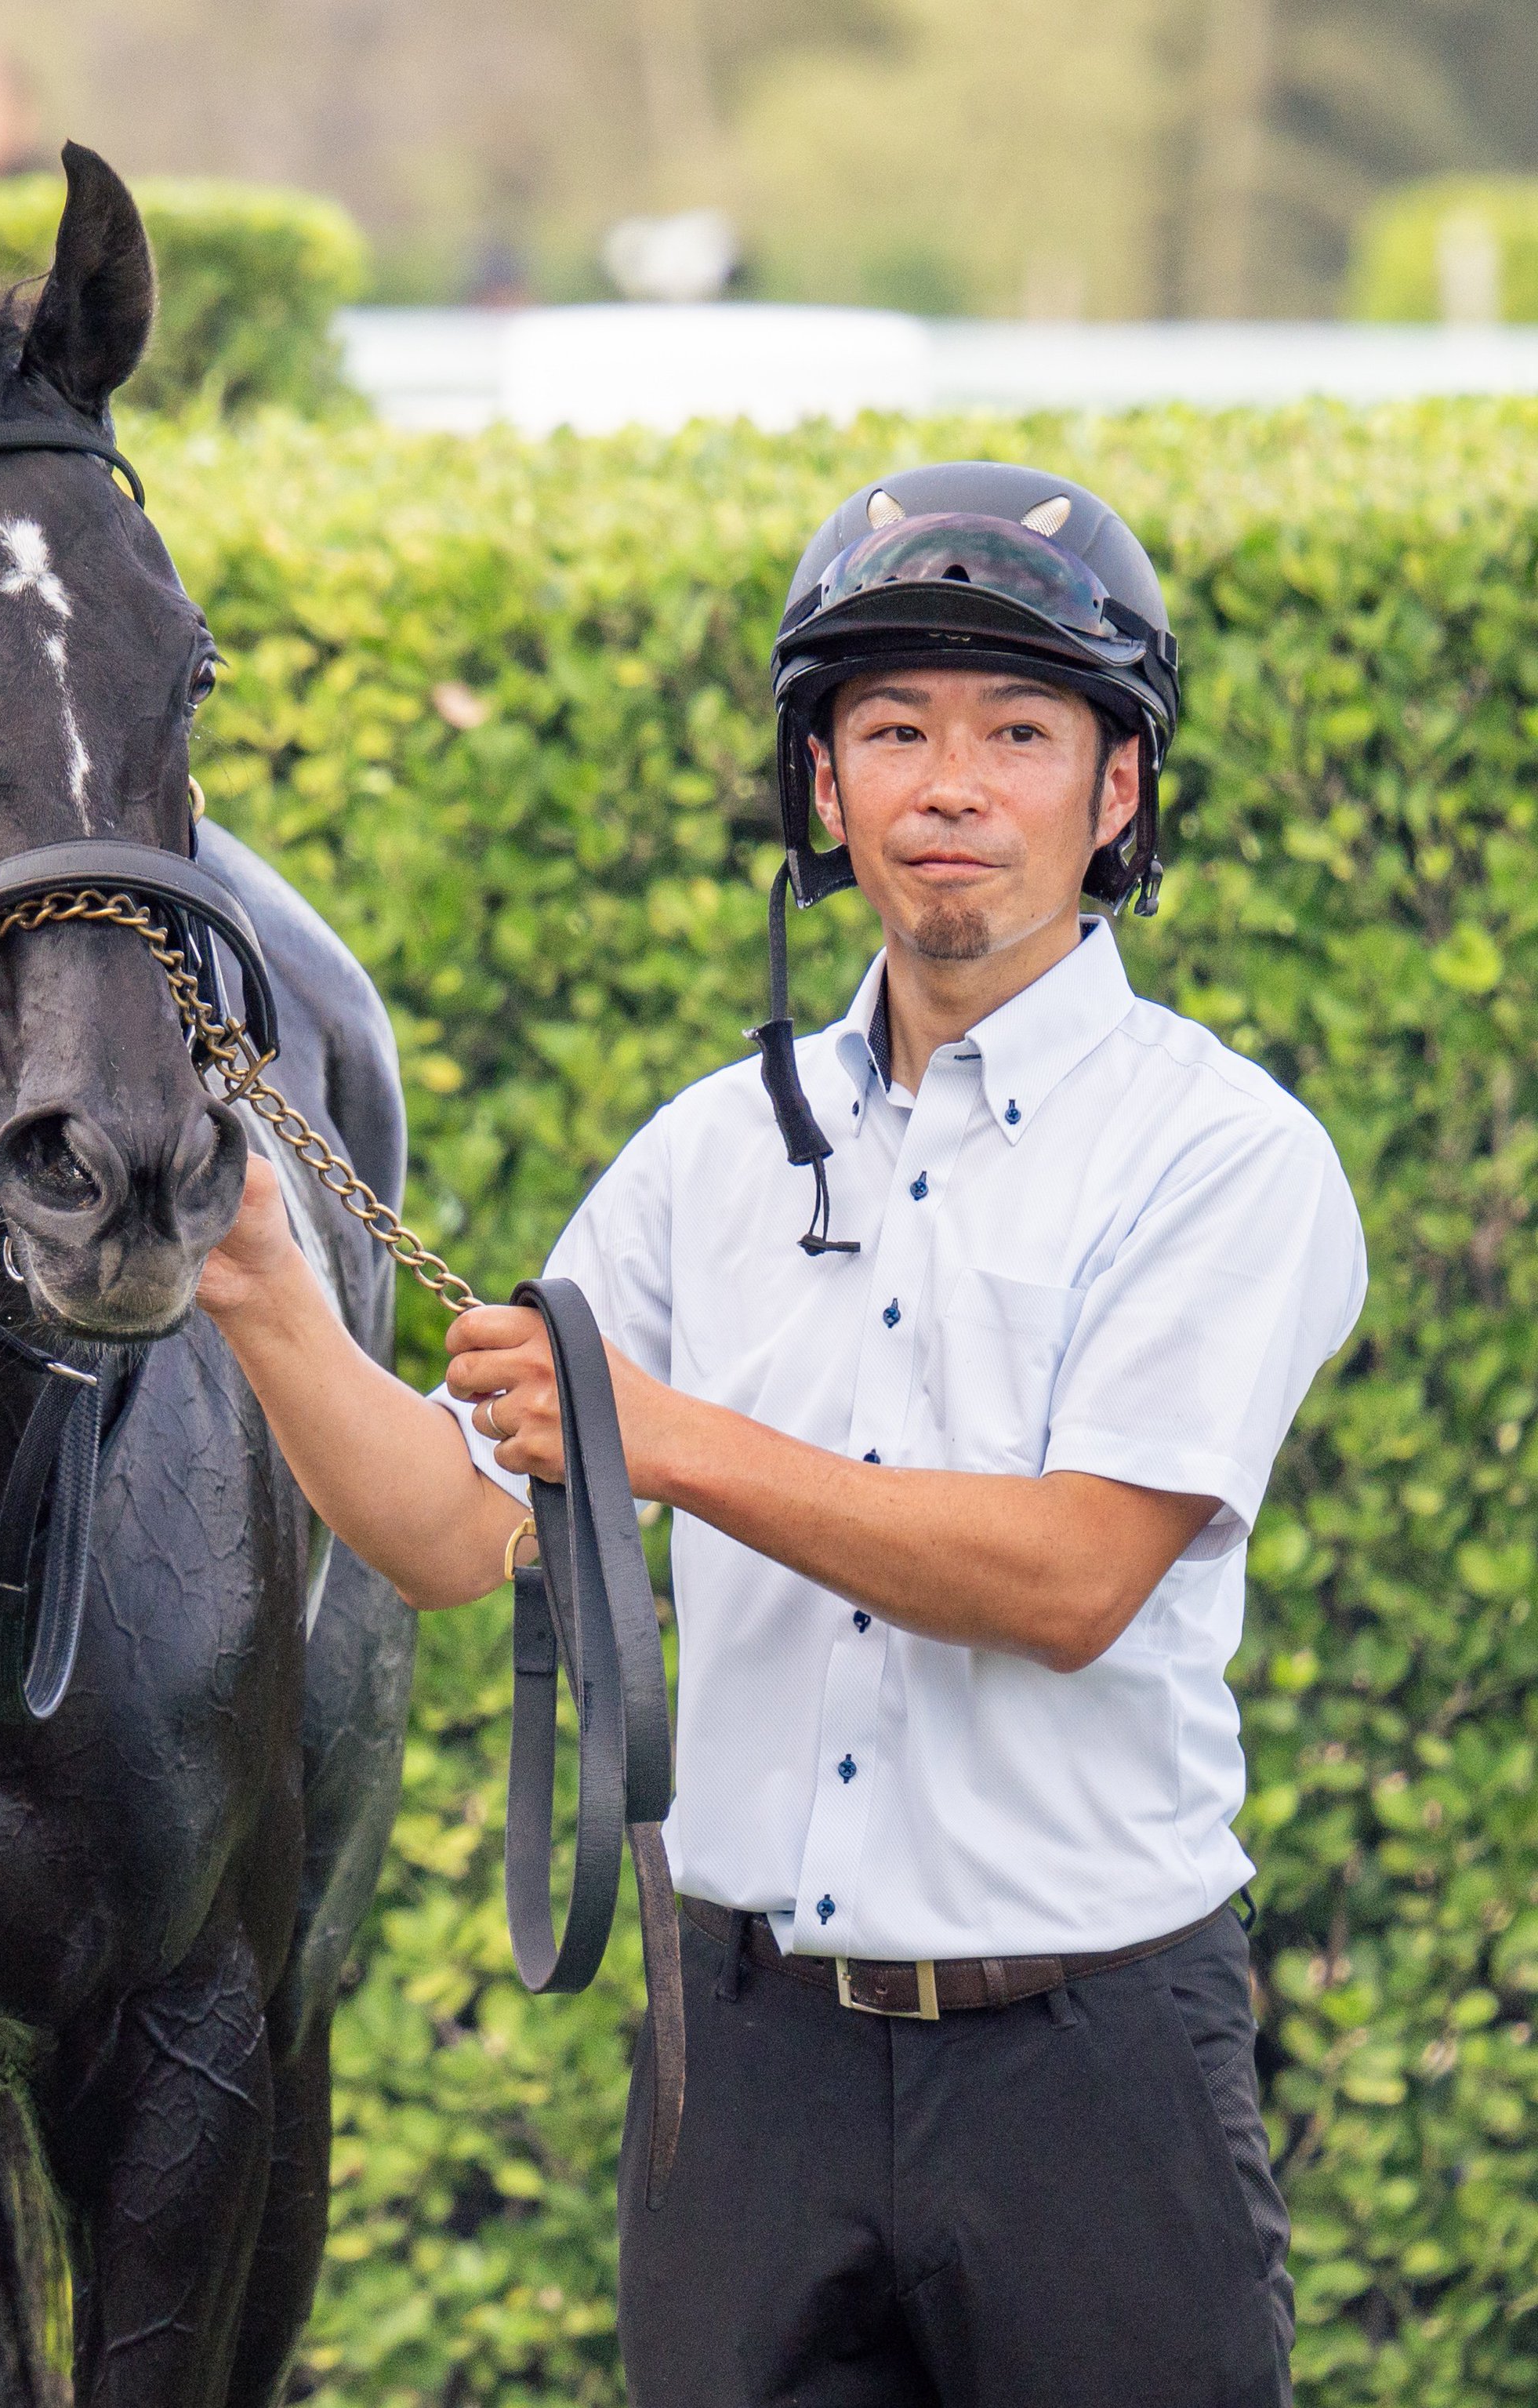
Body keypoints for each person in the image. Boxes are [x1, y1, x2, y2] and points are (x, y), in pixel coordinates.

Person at [198, 463, 1363, 2406]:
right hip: (740, 2076)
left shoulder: (1222, 1154)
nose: (950, 783)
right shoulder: (706, 1148)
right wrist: (252, 1282)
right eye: (889, 729)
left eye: (1018, 730)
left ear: (1117, 789)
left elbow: (1072, 1579)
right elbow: (446, 1531)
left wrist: (666, 1444)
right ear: (821, 791)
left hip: (1089, 2076)